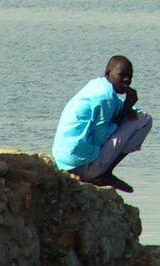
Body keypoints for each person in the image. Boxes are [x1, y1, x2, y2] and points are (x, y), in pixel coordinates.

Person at [51, 55, 152, 192]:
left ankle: (101, 171)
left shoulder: (98, 86)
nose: (127, 80)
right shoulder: (105, 97)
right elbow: (101, 139)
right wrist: (126, 109)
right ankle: (103, 173)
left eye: (130, 77)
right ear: (108, 73)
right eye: (122, 75)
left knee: (137, 116)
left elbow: (118, 107)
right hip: (80, 167)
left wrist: (128, 108)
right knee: (144, 120)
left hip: (63, 162)